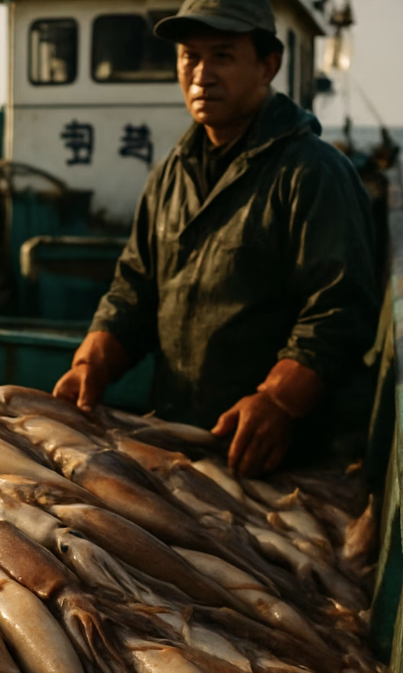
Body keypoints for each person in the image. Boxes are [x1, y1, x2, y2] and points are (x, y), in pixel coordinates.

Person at [53, 0, 379, 477]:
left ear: (269, 65)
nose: (201, 74)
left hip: (284, 461)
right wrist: (93, 362)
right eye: (190, 57)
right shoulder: (170, 176)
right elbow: (135, 288)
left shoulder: (313, 172)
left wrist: (278, 403)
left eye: (223, 56)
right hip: (182, 449)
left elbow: (340, 311)